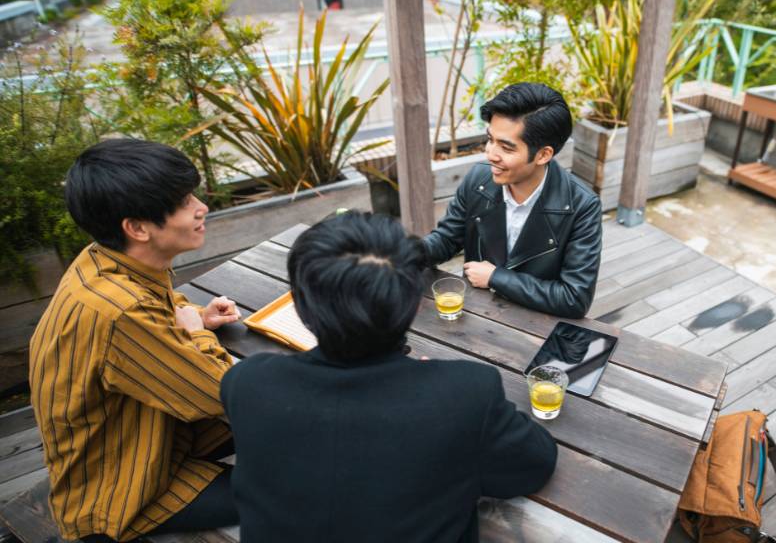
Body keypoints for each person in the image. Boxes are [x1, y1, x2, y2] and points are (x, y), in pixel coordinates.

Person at [220, 211, 557, 543]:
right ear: (414, 306)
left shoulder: (245, 384)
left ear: (299, 305)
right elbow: (534, 465)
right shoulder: (466, 393)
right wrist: (435, 388)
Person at [28, 139, 240, 542]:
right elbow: (220, 393)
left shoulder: (100, 258)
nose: (201, 207)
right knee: (296, 477)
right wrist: (196, 334)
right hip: (121, 489)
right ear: (138, 227)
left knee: (283, 419)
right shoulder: (120, 312)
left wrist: (196, 315)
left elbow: (164, 305)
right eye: (183, 202)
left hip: (153, 435)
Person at [423, 82, 602, 319]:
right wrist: (399, 251)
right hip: (475, 314)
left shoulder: (582, 206)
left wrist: (496, 277)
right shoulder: (479, 178)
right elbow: (446, 239)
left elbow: (574, 298)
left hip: (537, 324)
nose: (490, 154)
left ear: (543, 154)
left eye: (506, 148)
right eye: (490, 139)